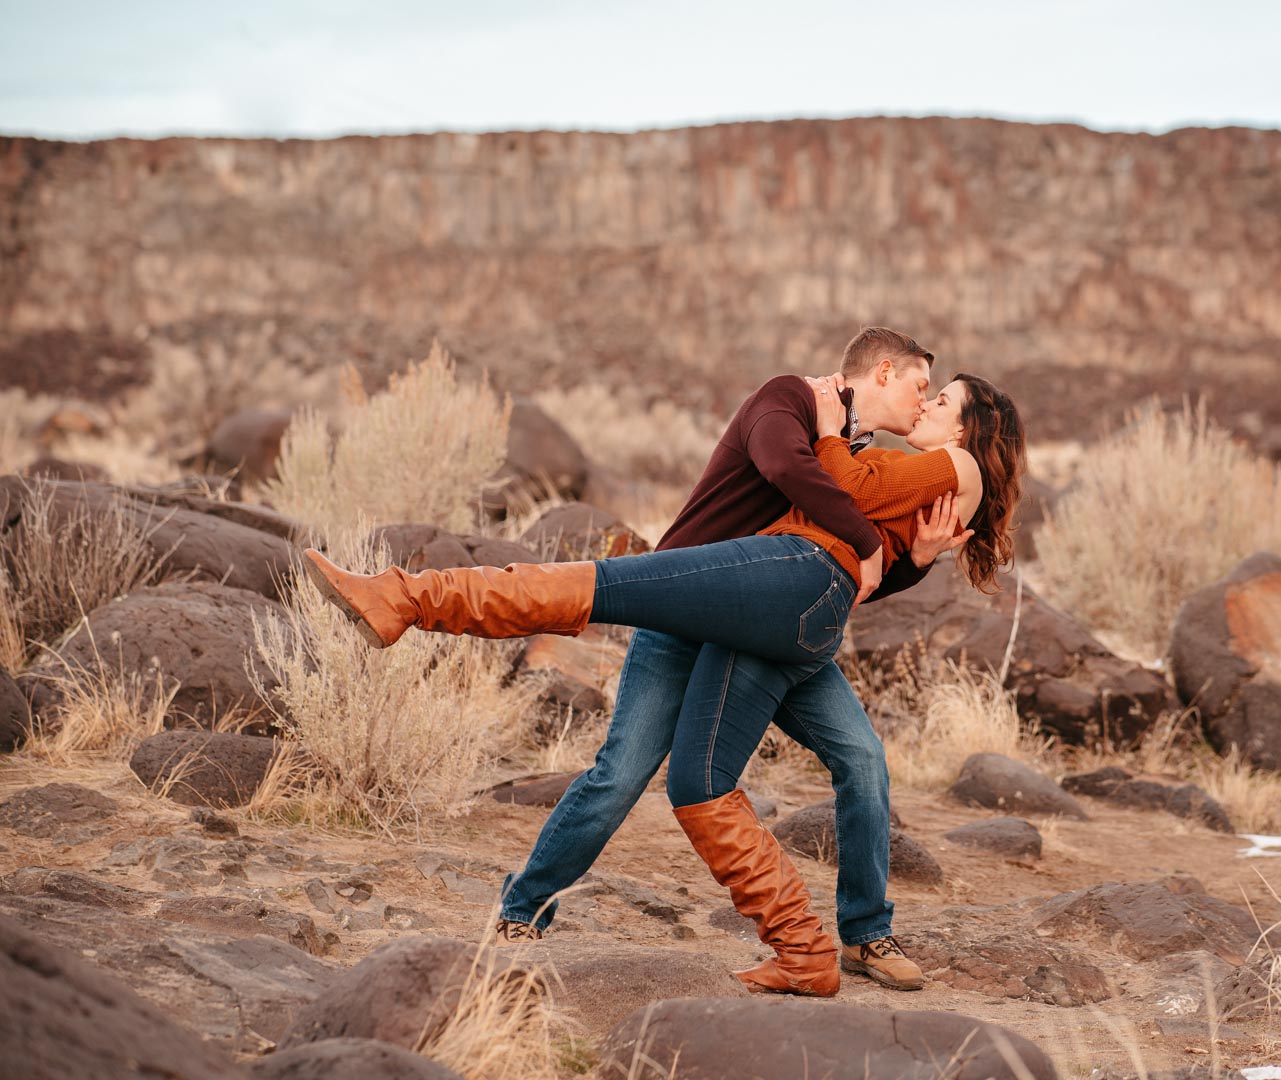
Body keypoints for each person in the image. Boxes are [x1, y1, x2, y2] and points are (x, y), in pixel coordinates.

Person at [305, 341, 1026, 996]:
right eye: (923, 386)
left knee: (613, 601)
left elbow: (862, 553)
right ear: (882, 373)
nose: (926, 401)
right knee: (645, 774)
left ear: (966, 429)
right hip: (717, 604)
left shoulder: (898, 457)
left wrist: (902, 553)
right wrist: (867, 523)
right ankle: (548, 913)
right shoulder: (790, 398)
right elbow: (787, 466)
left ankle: (403, 599)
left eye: (941, 397)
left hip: (774, 599)